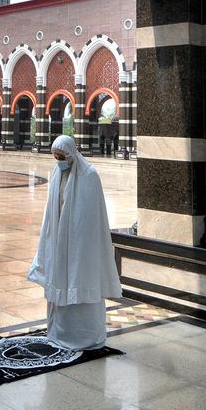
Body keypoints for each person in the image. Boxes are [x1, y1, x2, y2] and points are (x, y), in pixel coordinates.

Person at [27, 135, 122, 350]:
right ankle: (60, 333)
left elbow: (93, 217)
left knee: (80, 280)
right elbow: (51, 211)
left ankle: (85, 336)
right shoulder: (57, 173)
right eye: (55, 157)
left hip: (82, 246)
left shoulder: (89, 175)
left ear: (71, 153)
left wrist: (79, 238)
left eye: (62, 157)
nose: (59, 161)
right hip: (59, 241)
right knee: (60, 281)